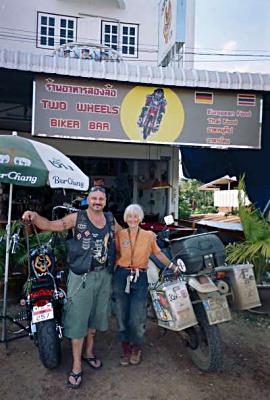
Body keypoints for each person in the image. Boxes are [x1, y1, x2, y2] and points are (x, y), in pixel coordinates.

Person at [22, 186, 121, 389]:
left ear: (105, 200)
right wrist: (34, 216)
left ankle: (89, 353)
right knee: (78, 322)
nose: (97, 201)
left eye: (101, 198)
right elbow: (51, 225)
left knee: (95, 320)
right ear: (88, 200)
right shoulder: (77, 218)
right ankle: (76, 365)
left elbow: (123, 236)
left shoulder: (111, 219)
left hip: (103, 276)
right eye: (93, 198)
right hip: (81, 277)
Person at [113, 204, 178, 367]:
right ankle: (126, 349)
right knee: (122, 315)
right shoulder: (120, 235)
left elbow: (157, 253)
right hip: (121, 276)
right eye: (129, 216)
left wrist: (172, 266)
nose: (132, 219)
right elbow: (115, 254)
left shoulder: (149, 235)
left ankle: (136, 348)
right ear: (125, 218)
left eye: (136, 216)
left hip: (140, 277)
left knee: (137, 315)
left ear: (140, 218)